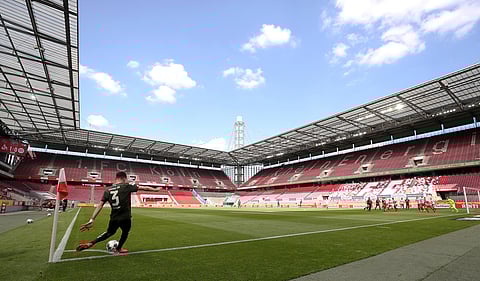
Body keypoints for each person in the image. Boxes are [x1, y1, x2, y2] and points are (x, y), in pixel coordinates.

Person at [76, 172, 159, 254]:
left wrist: (92, 219)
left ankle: (92, 242)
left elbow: (100, 205)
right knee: (125, 232)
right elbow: (144, 188)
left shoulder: (107, 190)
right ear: (123, 178)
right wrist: (155, 190)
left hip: (114, 218)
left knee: (109, 233)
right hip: (125, 217)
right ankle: (119, 248)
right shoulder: (127, 186)